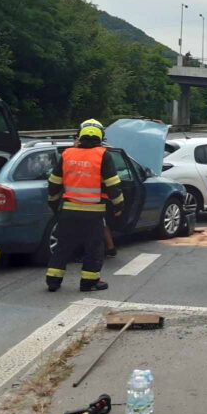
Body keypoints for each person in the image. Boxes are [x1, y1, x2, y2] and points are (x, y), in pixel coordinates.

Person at [45, 119, 125, 292]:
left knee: (63, 246)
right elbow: (113, 185)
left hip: (68, 210)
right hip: (93, 213)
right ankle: (89, 282)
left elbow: (54, 183)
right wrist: (119, 207)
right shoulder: (103, 155)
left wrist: (53, 204)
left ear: (80, 135)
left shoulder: (67, 154)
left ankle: (53, 280)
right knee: (94, 247)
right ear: (101, 136)